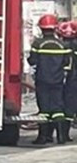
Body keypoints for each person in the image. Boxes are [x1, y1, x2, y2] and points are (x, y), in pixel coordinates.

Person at [28, 14, 72, 145]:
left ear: (41, 29)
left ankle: (43, 138)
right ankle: (61, 137)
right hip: (58, 81)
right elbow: (66, 63)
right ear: (55, 28)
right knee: (58, 108)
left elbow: (32, 61)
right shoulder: (62, 45)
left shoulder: (38, 44)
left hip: (42, 81)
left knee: (44, 110)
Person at [66, 21, 77, 142]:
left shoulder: (62, 45)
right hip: (72, 80)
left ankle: (63, 135)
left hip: (68, 81)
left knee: (67, 109)